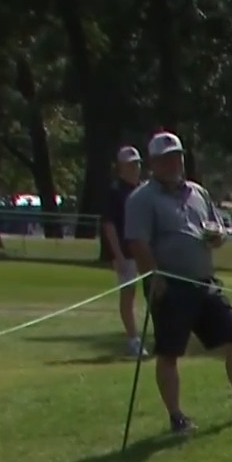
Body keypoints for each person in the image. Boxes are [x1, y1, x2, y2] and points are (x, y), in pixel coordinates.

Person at [122, 131, 232, 433]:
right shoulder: (142, 198)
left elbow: (216, 228)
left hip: (205, 282)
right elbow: (138, 242)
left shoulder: (197, 192)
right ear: (153, 163)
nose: (172, 164)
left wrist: (218, 236)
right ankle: (176, 416)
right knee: (170, 352)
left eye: (176, 157)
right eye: (165, 160)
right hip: (170, 284)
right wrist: (154, 276)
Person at [100, 145, 145, 358]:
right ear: (121, 167)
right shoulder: (115, 192)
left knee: (156, 292)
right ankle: (133, 339)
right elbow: (109, 225)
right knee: (128, 295)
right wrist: (117, 255)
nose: (135, 168)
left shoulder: (144, 190)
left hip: (146, 251)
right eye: (130, 165)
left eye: (137, 164)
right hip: (126, 252)